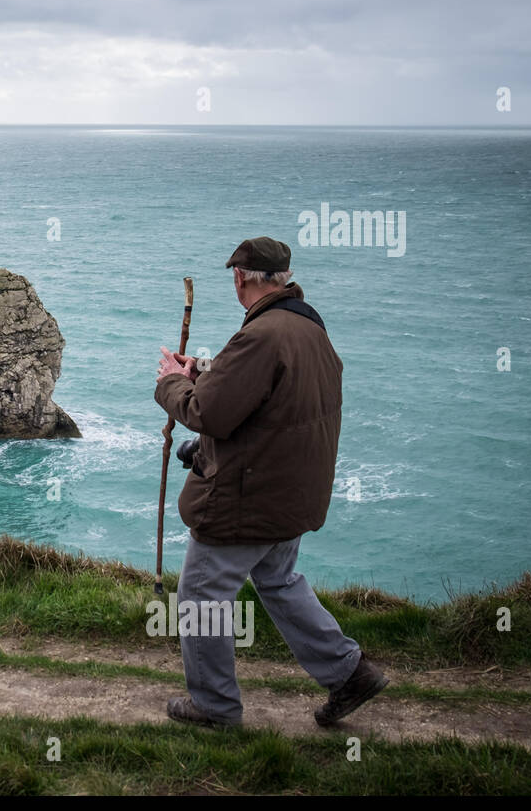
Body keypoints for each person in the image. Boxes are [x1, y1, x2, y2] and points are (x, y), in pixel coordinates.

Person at [154, 236, 388, 729]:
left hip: (250, 498)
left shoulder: (260, 336)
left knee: (200, 594)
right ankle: (349, 673)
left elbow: (206, 411)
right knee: (279, 579)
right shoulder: (308, 325)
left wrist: (172, 382)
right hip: (293, 489)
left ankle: (214, 707)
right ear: (282, 275)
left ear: (240, 278)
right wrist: (203, 369)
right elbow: (266, 396)